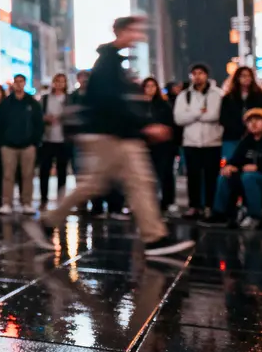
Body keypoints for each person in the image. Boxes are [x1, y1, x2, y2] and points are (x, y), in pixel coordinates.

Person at [25, 17, 195, 257]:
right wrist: (144, 126)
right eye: (135, 30)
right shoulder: (107, 63)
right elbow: (111, 103)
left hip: (117, 135)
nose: (139, 35)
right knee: (119, 183)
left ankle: (154, 237)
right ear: (122, 31)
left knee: (125, 183)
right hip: (110, 136)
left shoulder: (114, 62)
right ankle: (154, 238)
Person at [202, 108, 262, 229]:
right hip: (250, 178)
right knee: (225, 176)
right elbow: (236, 159)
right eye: (250, 121)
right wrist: (230, 166)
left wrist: (258, 167)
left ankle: (255, 216)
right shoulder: (247, 140)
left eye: (257, 120)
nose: (253, 124)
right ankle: (220, 214)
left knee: (249, 177)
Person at [174, 63, 224, 220]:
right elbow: (179, 118)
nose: (197, 76)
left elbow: (214, 115)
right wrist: (199, 112)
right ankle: (194, 206)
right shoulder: (184, 95)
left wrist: (191, 115)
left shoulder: (217, 94)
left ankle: (210, 206)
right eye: (194, 73)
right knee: (193, 176)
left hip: (212, 141)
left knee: (211, 176)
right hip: (191, 142)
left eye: (201, 73)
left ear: (207, 75)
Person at [0, 74, 44, 215]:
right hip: (8, 145)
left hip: (28, 145)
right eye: (16, 82)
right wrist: (2, 141)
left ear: (25, 83)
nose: (19, 84)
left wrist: (35, 141)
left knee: (28, 175)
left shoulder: (32, 103)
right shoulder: (6, 103)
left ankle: (27, 203)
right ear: (14, 84)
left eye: (21, 82)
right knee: (8, 176)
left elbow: (39, 124)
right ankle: (7, 203)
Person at [219, 66, 262, 163]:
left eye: (249, 76)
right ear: (237, 78)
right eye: (243, 76)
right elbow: (223, 118)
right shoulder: (228, 98)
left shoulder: (260, 96)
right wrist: (238, 128)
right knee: (230, 164)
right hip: (232, 137)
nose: (246, 78)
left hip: (255, 136)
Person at [141, 77, 178, 214]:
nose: (150, 89)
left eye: (152, 86)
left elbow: (171, 124)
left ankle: (168, 201)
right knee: (147, 175)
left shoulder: (163, 105)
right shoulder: (139, 106)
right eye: (147, 86)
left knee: (165, 173)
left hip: (163, 145)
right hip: (145, 144)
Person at [37, 73, 72, 210]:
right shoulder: (45, 99)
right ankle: (43, 199)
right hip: (47, 139)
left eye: (62, 82)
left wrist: (63, 119)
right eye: (56, 81)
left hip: (64, 140)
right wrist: (45, 118)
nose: (59, 84)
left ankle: (60, 200)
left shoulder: (69, 99)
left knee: (62, 172)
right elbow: (38, 116)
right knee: (44, 170)